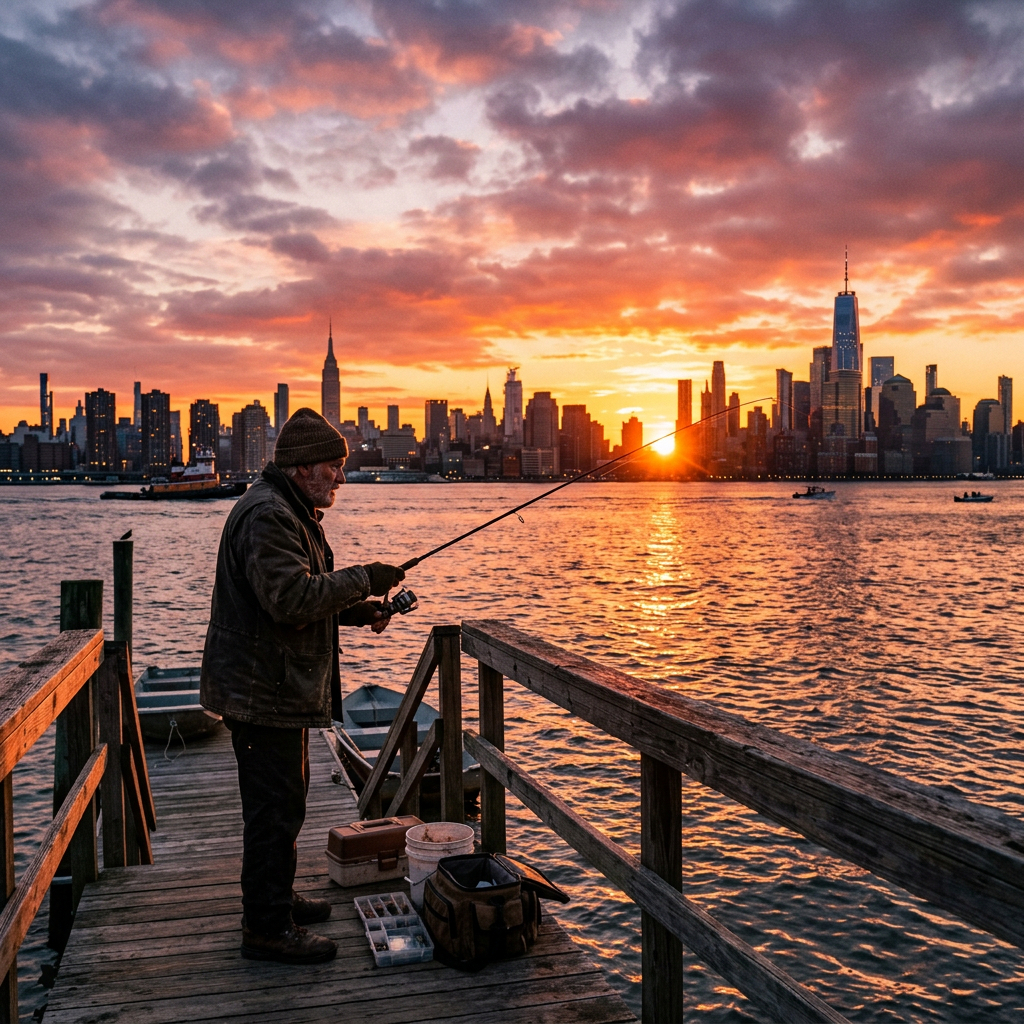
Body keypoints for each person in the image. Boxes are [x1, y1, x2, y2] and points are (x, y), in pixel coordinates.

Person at [200, 408, 406, 964]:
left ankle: (278, 899)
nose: (341, 477)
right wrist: (365, 576)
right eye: (334, 467)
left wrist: (360, 610)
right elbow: (290, 601)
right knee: (273, 811)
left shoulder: (289, 510)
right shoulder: (269, 516)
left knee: (283, 804)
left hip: (273, 686)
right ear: (302, 467)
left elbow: (300, 594)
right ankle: (266, 928)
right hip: (260, 691)